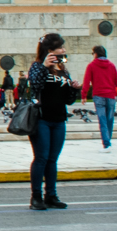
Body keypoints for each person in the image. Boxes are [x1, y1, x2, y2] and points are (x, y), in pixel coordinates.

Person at [27, 33, 79, 210]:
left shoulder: (63, 69)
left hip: (59, 119)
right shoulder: (36, 66)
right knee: (41, 157)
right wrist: (43, 67)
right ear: (50, 51)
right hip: (41, 118)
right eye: (61, 48)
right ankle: (36, 197)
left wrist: (74, 89)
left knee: (52, 159)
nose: (64, 50)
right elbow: (34, 86)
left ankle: (51, 195)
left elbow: (69, 100)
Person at [81, 45, 117, 153]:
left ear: (95, 54)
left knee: (102, 120)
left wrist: (84, 95)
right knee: (110, 119)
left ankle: (106, 144)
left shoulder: (91, 66)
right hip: (110, 96)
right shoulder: (112, 66)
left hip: (98, 95)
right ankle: (108, 141)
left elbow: (86, 82)